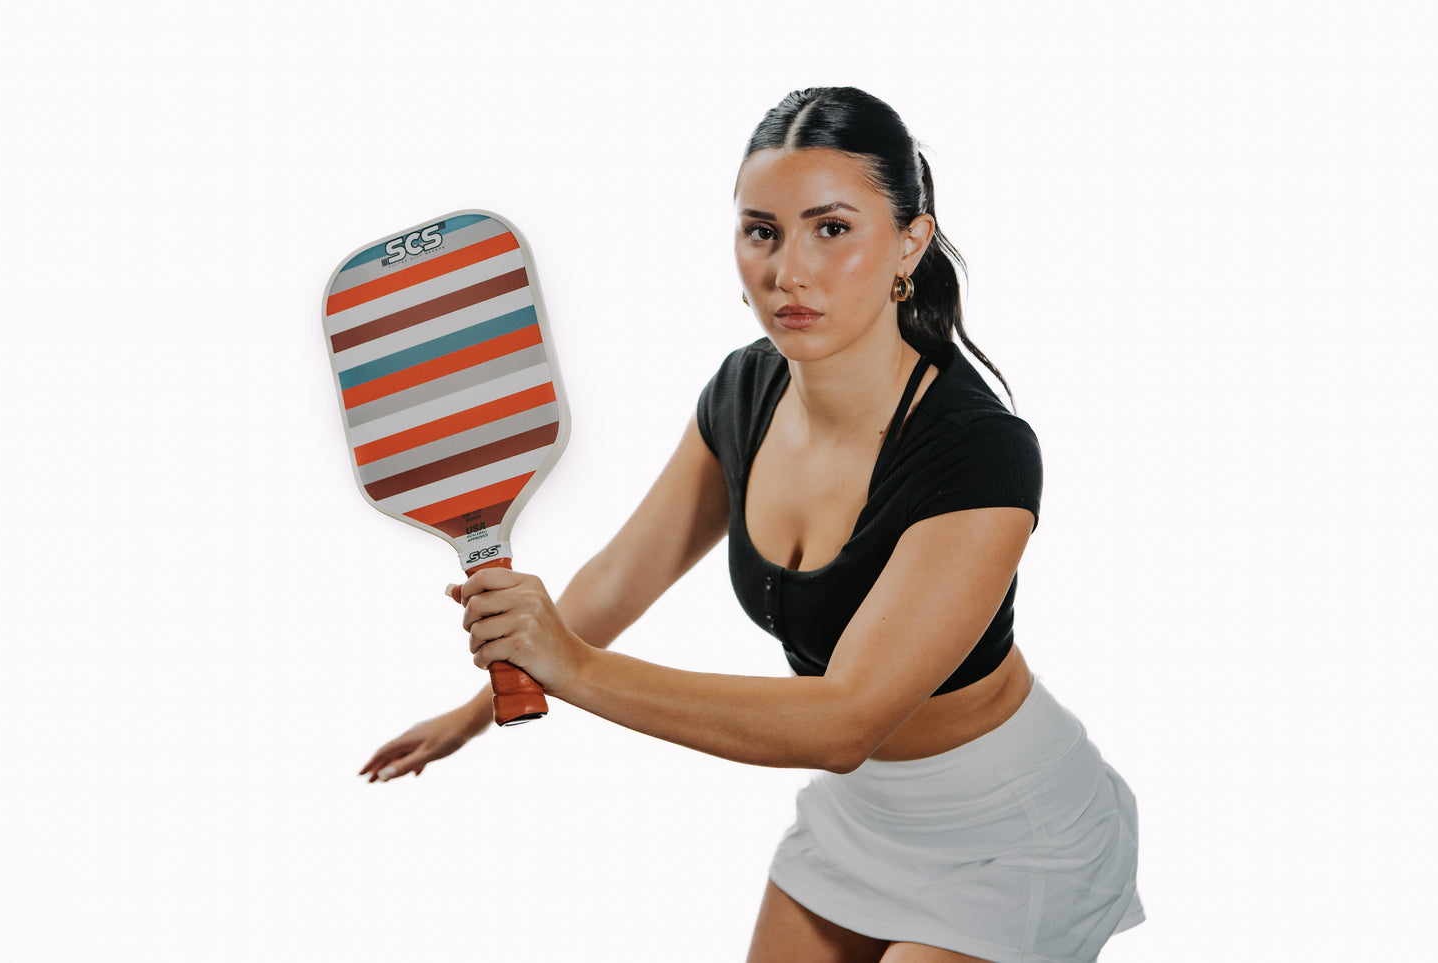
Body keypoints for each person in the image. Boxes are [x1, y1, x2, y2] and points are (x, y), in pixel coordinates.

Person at [358, 86, 1145, 963]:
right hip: (864, 821)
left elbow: (843, 722)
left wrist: (572, 667)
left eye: (832, 228)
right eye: (761, 230)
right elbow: (620, 579)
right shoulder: (741, 393)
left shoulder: (980, 451)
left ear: (909, 242)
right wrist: (476, 708)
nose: (787, 271)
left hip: (1010, 830)